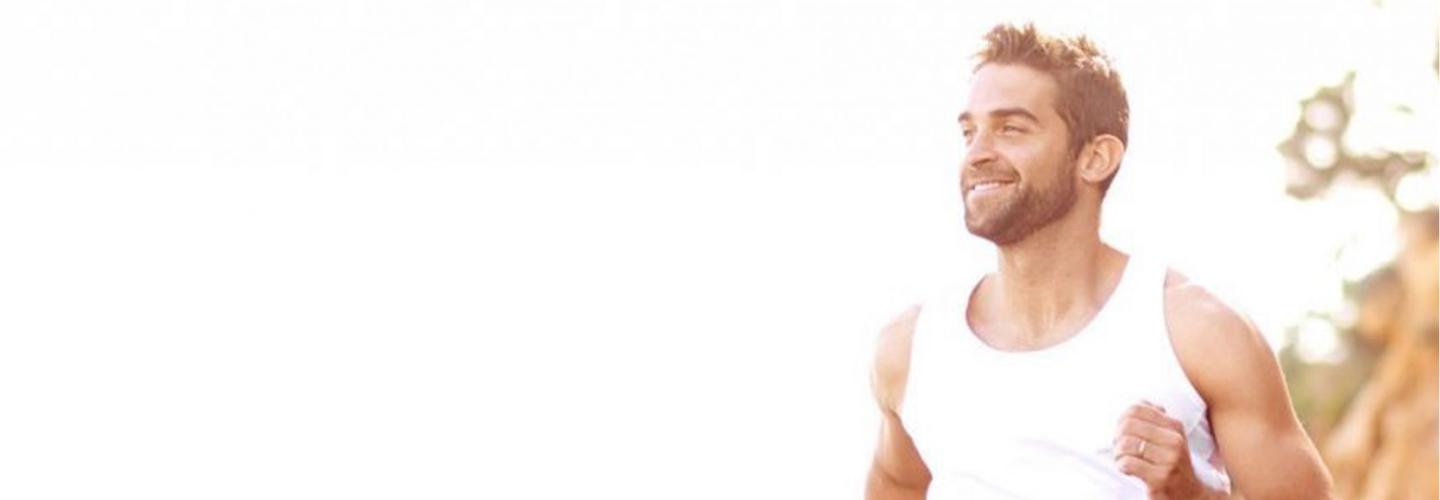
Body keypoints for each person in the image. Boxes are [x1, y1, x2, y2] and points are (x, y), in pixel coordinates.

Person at [865, 23, 1334, 499]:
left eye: (1010, 128)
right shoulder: (910, 347)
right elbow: (897, 484)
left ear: (1095, 157)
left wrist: (1193, 495)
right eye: (970, 132)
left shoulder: (1198, 331)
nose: (978, 154)